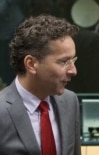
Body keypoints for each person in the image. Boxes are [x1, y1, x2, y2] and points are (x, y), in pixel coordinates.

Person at [0, 14, 81, 155]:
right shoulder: (2, 111)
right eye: (63, 62)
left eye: (73, 60)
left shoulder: (69, 102)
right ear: (31, 64)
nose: (73, 71)